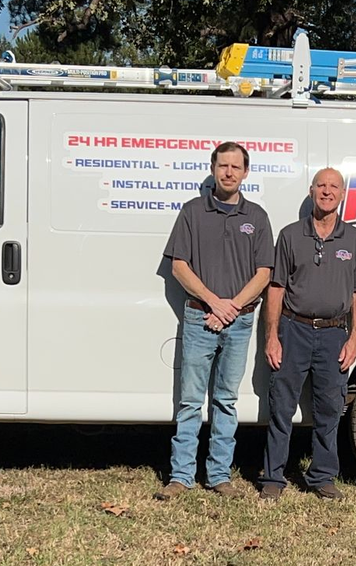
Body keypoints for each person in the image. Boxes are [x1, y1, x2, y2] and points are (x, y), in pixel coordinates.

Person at [155, 142, 274, 500]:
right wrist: (213, 302)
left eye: (236, 167)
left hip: (239, 322)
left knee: (225, 400)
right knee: (191, 401)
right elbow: (178, 266)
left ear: (246, 172)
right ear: (213, 168)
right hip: (198, 316)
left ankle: (220, 475)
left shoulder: (257, 217)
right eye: (223, 165)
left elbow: (264, 273)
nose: (229, 172)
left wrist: (232, 307)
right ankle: (180, 477)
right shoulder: (192, 212)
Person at [259, 167, 356, 501]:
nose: (327, 191)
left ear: (342, 194)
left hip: (334, 334)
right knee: (281, 406)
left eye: (333, 186)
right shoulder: (291, 235)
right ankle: (273, 478)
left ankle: (322, 476)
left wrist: (353, 339)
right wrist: (272, 336)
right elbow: (276, 289)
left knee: (328, 409)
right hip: (293, 331)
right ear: (311, 192)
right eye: (321, 185)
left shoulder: (353, 239)